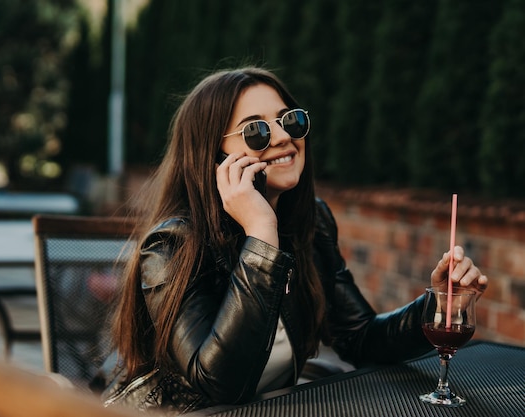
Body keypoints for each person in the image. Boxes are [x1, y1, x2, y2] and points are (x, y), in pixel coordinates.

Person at [96, 67, 489, 415]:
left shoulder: (309, 222)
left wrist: (437, 303)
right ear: (214, 156)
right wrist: (261, 235)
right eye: (256, 130)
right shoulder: (172, 244)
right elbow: (221, 385)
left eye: (290, 120)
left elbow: (358, 338)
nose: (284, 137)